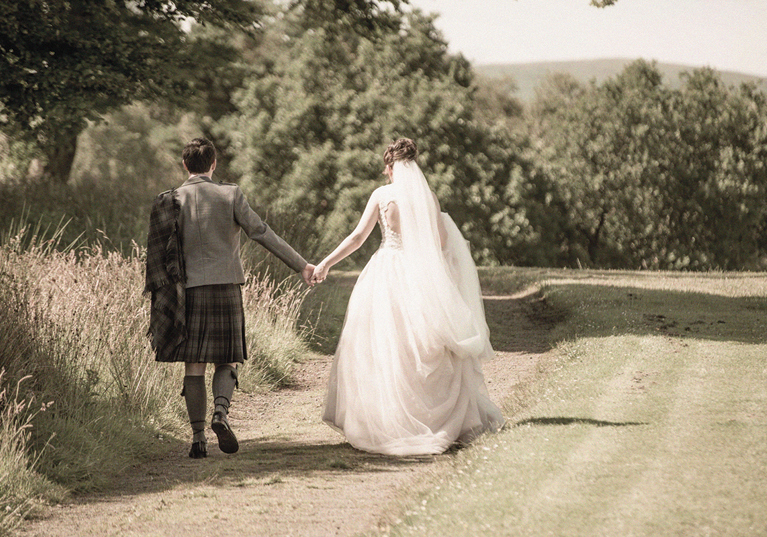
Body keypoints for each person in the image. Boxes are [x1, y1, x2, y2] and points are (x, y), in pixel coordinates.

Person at [312, 138, 504, 456]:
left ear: (389, 168)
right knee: (423, 343)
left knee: (384, 346)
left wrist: (325, 263)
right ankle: (434, 418)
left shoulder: (382, 195)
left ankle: (387, 420)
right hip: (419, 272)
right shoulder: (427, 196)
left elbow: (359, 237)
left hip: (385, 271)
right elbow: (442, 242)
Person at [145, 138, 314, 458]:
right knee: (227, 358)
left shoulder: (170, 200)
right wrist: (301, 265)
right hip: (226, 289)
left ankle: (197, 439)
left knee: (193, 366)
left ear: (185, 166)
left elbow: (157, 256)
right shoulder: (230, 194)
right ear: (213, 164)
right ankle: (220, 414)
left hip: (188, 292)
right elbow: (262, 232)